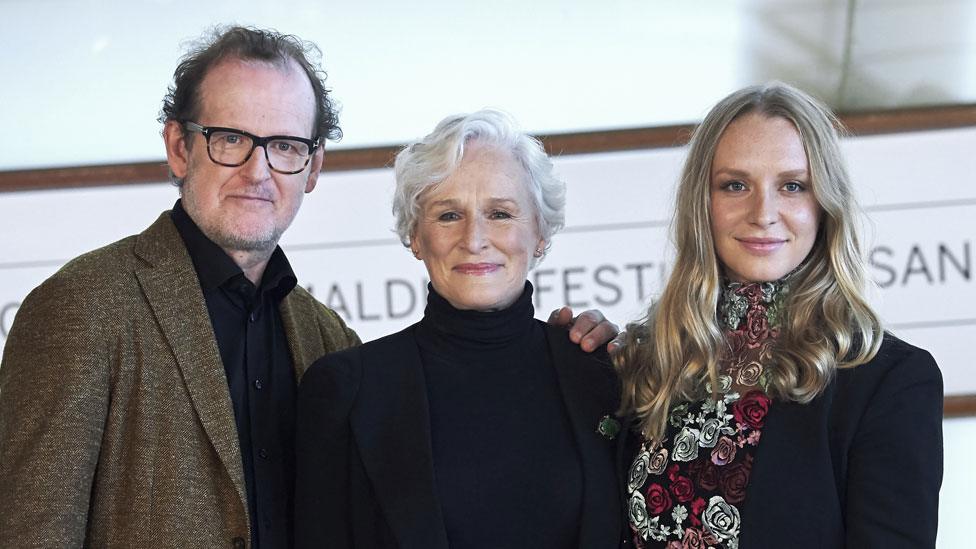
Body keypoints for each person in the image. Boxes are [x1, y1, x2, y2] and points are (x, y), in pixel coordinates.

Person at [0, 28, 616, 549]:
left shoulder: (326, 339)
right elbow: (29, 530)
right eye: (231, 138)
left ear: (314, 167)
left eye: (286, 145)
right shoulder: (84, 306)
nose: (258, 170)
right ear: (178, 147)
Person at [614, 83, 943, 548]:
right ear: (701, 205)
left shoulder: (890, 381)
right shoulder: (646, 363)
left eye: (792, 185)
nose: (763, 212)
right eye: (735, 185)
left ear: (824, 205)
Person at [294, 109, 623, 549]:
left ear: (540, 232)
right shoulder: (347, 391)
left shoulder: (603, 376)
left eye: (501, 214)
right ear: (415, 236)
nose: (474, 239)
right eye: (449, 215)